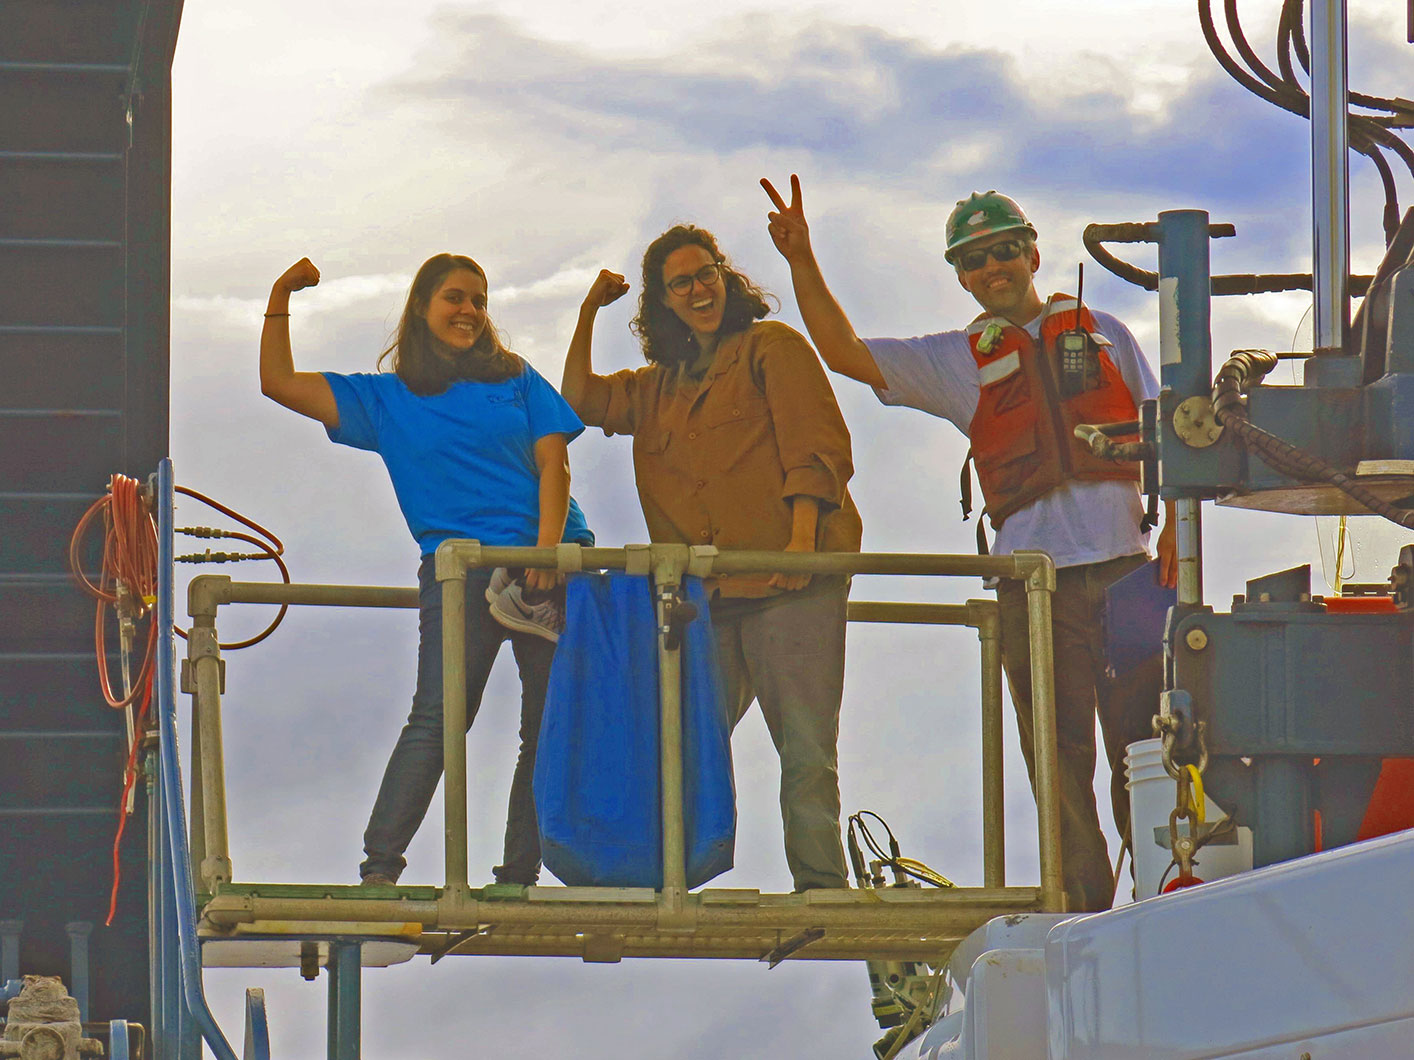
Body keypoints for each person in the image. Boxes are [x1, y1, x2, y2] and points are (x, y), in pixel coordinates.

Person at [760, 175, 1177, 912]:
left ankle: (1167, 894)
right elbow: (844, 352)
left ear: (1033, 253)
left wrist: (1179, 533)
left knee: (1145, 751)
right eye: (975, 260)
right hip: (1034, 588)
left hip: (1126, 576)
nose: (993, 269)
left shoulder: (1106, 332)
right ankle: (1085, 909)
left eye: (1004, 251)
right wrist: (801, 259)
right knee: (1057, 759)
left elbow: (1169, 438)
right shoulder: (958, 359)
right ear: (960, 276)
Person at [258, 253, 594, 887]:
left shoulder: (516, 378)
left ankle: (518, 875)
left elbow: (556, 465)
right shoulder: (384, 397)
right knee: (440, 718)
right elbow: (277, 382)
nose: (469, 310)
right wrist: (280, 295)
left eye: (478, 300)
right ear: (421, 308)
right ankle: (380, 869)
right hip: (462, 571)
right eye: (455, 298)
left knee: (547, 724)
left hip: (546, 565)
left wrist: (549, 554)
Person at [560, 225, 862, 892]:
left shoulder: (771, 347)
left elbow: (814, 446)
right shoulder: (656, 387)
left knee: (806, 752)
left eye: (707, 274)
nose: (698, 290)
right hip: (713, 597)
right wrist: (586, 312)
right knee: (684, 741)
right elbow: (577, 401)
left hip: (792, 583)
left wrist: (804, 549)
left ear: (726, 279)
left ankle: (821, 890)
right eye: (681, 283)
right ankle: (665, 877)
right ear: (662, 301)